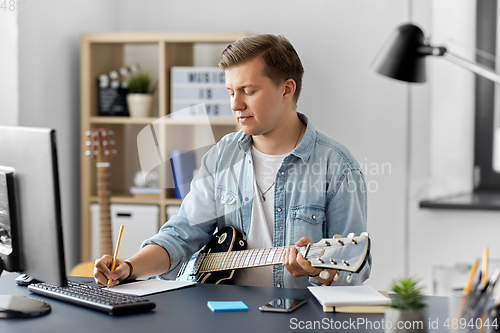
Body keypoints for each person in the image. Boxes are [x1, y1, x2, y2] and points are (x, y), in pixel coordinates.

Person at [94, 34, 371, 289]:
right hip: (226, 316)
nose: (235, 104)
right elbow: (180, 236)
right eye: (230, 91)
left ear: (287, 90)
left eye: (248, 91)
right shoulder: (222, 155)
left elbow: (354, 269)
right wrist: (128, 268)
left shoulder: (338, 166)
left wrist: (316, 271)